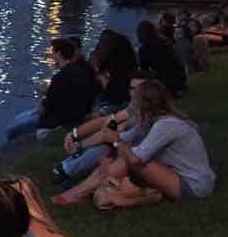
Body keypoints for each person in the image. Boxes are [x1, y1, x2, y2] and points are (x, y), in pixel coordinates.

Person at [53, 79, 215, 208]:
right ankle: (80, 191)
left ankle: (78, 193)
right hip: (174, 175)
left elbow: (134, 158)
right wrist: (81, 145)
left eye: (134, 100)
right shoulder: (149, 122)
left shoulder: (167, 125)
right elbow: (117, 137)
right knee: (120, 155)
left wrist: (116, 141)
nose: (130, 105)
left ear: (143, 105)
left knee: (128, 158)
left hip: (194, 185)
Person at [51, 69, 156, 184]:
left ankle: (67, 171)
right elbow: (106, 121)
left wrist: (80, 145)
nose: (135, 93)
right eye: (132, 89)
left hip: (139, 157)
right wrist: (74, 134)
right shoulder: (135, 106)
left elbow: (111, 135)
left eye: (140, 89)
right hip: (127, 149)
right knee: (106, 139)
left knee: (105, 146)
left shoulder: (149, 114)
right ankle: (68, 170)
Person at [6, 37, 100, 141]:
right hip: (78, 114)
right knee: (20, 118)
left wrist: (41, 107)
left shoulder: (60, 77)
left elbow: (45, 107)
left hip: (58, 120)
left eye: (53, 52)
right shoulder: (84, 70)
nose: (52, 56)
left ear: (59, 54)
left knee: (12, 129)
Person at [135, 19, 187, 96]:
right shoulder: (165, 42)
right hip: (181, 77)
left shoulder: (144, 49)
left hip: (167, 82)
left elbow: (144, 69)